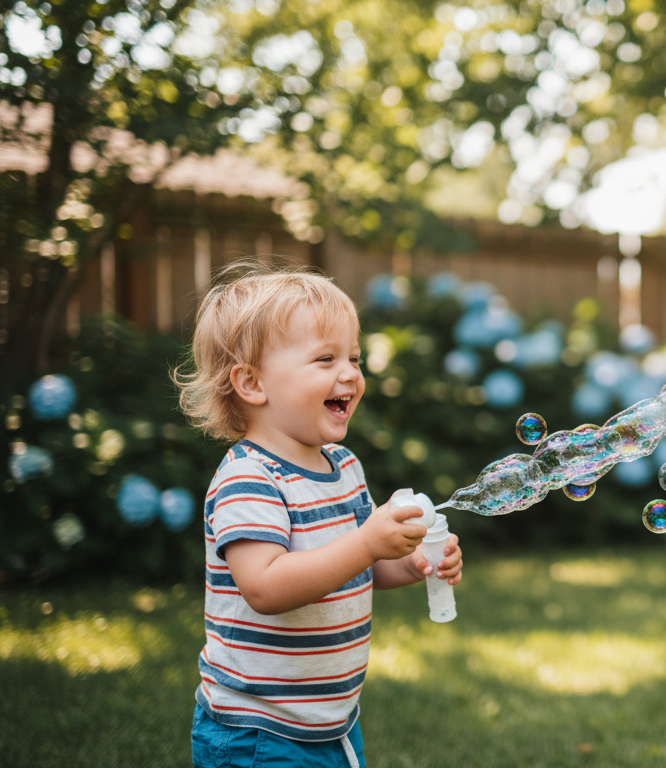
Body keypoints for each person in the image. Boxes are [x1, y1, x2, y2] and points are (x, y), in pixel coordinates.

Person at [174, 263, 463, 768]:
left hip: (331, 722)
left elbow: (361, 567)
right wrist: (367, 543)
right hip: (257, 731)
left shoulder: (344, 467)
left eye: (353, 356)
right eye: (325, 358)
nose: (350, 372)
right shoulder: (250, 477)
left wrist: (413, 562)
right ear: (251, 382)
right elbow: (264, 588)